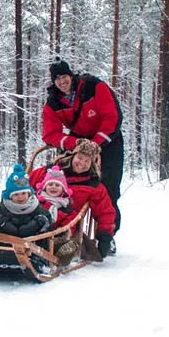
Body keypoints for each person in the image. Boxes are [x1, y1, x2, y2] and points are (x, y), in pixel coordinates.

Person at [41, 57, 124, 240]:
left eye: (64, 76)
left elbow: (112, 117)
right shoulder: (54, 102)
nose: (62, 82)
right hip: (77, 143)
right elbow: (49, 134)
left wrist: (95, 143)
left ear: (71, 76)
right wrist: (74, 144)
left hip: (108, 140)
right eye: (57, 79)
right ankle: (60, 228)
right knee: (59, 184)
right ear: (54, 82)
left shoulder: (93, 87)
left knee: (108, 189)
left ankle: (106, 234)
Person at [60, 138, 117, 260]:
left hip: (69, 224)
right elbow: (26, 186)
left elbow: (105, 211)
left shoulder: (93, 185)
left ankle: (62, 252)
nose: (82, 163)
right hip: (41, 215)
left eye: (87, 161)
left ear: (92, 164)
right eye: (79, 157)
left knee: (66, 239)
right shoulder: (53, 172)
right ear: (72, 155)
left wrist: (105, 236)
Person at [0, 164, 52, 238]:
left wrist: (38, 223)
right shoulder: (4, 207)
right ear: (10, 196)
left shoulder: (34, 206)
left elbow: (47, 218)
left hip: (33, 241)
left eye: (23, 193)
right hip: (7, 241)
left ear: (28, 194)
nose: (20, 197)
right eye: (16, 195)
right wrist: (2, 222)